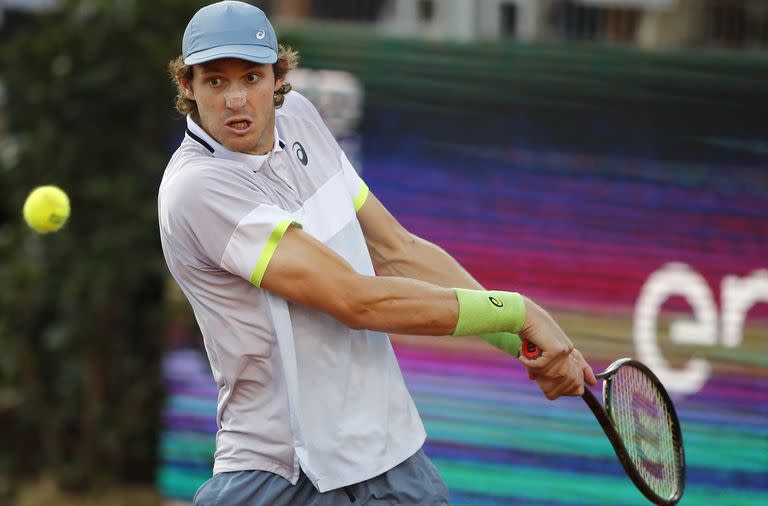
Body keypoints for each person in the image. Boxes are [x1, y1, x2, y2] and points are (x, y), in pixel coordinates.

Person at [158, 2, 597, 504]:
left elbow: (396, 248)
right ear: (187, 86)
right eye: (215, 81)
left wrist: (521, 340)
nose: (237, 99)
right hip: (281, 469)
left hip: (388, 455)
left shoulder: (298, 116)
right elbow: (357, 301)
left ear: (278, 79)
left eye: (251, 78)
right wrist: (519, 311)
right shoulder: (197, 188)